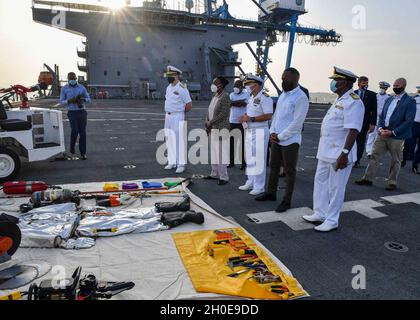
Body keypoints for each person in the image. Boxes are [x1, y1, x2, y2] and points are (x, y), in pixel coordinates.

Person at [303, 67, 364, 232]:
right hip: (325, 152)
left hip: (339, 153)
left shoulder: (353, 101)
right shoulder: (339, 100)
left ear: (343, 82)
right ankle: (320, 213)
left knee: (336, 188)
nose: (333, 83)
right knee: (320, 182)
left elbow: (353, 130)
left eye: (336, 80)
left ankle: (332, 220)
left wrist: (344, 154)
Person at [255, 68, 309, 213]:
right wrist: (272, 131)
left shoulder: (301, 97)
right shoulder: (283, 95)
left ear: (296, 79)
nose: (284, 81)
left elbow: (297, 123)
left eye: (287, 79)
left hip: (290, 141)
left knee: (289, 171)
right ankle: (271, 193)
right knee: (273, 167)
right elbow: (276, 116)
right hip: (276, 138)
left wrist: (281, 136)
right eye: (283, 78)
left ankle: (286, 200)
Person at [355, 78, 416, 190]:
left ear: (404, 86)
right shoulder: (390, 99)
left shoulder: (410, 101)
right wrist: (381, 128)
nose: (395, 87)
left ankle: (392, 182)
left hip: (397, 136)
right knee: (374, 156)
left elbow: (409, 121)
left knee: (395, 160)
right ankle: (367, 178)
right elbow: (382, 115)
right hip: (382, 134)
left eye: (397, 85)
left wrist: (393, 132)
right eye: (394, 85)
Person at [238, 75, 273, 196]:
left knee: (258, 159)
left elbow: (268, 115)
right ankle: (250, 181)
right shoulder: (251, 98)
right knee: (250, 157)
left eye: (249, 84)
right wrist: (244, 118)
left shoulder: (264, 98)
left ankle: (259, 186)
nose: (247, 86)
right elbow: (250, 113)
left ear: (256, 85)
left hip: (259, 130)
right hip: (249, 130)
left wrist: (251, 118)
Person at [163, 66, 193, 174]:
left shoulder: (182, 88)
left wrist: (180, 113)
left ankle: (181, 164)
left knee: (178, 140)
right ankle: (172, 162)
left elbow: (189, 105)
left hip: (177, 116)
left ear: (176, 75)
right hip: (168, 116)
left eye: (170, 75)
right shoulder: (168, 87)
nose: (168, 77)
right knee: (169, 139)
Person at [204, 77, 231, 185]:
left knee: (221, 153)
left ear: (222, 85)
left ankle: (224, 177)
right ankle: (214, 173)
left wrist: (210, 122)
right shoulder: (215, 96)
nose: (213, 84)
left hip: (220, 128)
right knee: (214, 153)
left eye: (216, 83)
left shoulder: (225, 96)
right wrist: (207, 121)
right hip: (212, 128)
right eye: (213, 82)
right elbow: (209, 110)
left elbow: (223, 114)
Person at [60, 72, 91, 160]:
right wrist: (69, 101)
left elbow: (89, 99)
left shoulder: (82, 87)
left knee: (83, 133)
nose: (72, 80)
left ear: (76, 78)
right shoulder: (64, 88)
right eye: (70, 79)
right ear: (68, 79)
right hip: (72, 112)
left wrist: (83, 99)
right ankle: (72, 149)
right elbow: (61, 101)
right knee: (74, 130)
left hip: (82, 112)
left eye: (73, 78)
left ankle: (83, 153)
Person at [354, 76, 378, 167]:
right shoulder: (353, 93)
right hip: (353, 121)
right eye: (364, 83)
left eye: (367, 83)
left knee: (361, 142)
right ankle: (350, 157)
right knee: (351, 141)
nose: (366, 85)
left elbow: (374, 110)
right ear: (359, 84)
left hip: (364, 122)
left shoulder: (372, 95)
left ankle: (357, 159)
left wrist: (373, 124)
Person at [365, 82, 391, 158]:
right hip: (374, 117)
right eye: (381, 87)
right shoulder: (375, 96)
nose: (382, 89)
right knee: (371, 135)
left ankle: (375, 151)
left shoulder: (388, 98)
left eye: (384, 88)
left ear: (386, 89)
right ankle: (369, 151)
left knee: (379, 136)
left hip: (382, 119)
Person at [228, 80, 249, 170]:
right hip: (232, 121)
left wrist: (235, 102)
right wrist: (239, 102)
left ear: (241, 87)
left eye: (237, 86)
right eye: (234, 86)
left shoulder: (246, 94)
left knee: (242, 143)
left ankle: (243, 163)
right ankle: (231, 162)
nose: (235, 88)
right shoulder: (231, 94)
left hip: (242, 122)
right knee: (231, 143)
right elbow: (229, 103)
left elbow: (244, 104)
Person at [402, 86, 420, 173]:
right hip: (414, 125)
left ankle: (415, 166)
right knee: (408, 145)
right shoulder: (414, 99)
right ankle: (403, 160)